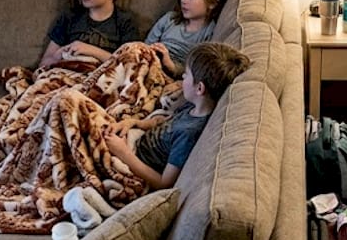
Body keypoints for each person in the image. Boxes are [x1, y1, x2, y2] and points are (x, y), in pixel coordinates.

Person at [105, 41, 249, 190]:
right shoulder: (193, 105)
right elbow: (163, 121)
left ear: (199, 88)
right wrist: (133, 123)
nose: (182, 78)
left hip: (134, 161)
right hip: (134, 140)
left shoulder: (189, 134)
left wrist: (123, 153)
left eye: (186, 75)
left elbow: (164, 182)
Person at [145, 0, 231, 76]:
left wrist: (170, 65)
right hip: (149, 62)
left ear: (212, 3)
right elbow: (146, 45)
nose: (183, 0)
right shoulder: (169, 19)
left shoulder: (209, 32)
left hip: (172, 74)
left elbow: (197, 70)